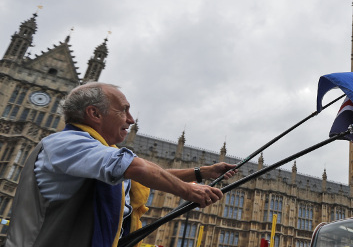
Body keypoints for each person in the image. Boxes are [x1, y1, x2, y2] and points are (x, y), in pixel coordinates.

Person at [6, 82, 237, 247]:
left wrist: (202, 172)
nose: (131, 119)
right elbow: (136, 169)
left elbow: (143, 174)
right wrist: (189, 190)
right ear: (94, 113)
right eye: (123, 110)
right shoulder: (67, 142)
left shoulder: (97, 153)